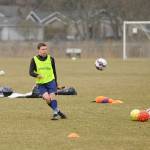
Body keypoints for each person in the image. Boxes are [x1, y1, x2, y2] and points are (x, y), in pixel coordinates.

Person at [29, 42, 67, 120]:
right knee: (47, 98)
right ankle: (58, 111)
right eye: (43, 49)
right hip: (41, 83)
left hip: (51, 81)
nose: (44, 51)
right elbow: (30, 72)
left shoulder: (51, 59)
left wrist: (56, 83)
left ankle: (55, 114)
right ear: (38, 50)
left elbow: (54, 71)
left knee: (52, 96)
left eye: (46, 49)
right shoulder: (34, 59)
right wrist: (37, 75)